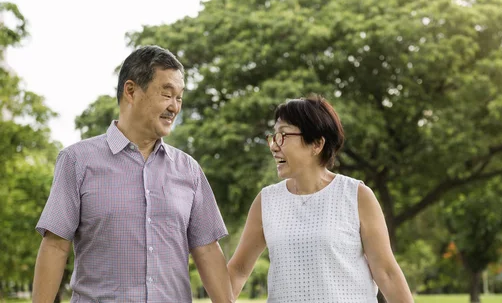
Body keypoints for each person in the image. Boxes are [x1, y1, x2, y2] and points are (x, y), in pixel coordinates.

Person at [32, 45, 233, 303]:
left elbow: (207, 249)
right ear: (131, 91)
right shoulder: (77, 161)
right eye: (166, 94)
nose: (174, 107)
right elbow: (55, 246)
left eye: (179, 98)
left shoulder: (189, 170)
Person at [227, 95, 414, 302]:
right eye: (273, 136)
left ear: (316, 144)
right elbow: (238, 270)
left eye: (283, 136)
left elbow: (386, 273)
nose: (273, 146)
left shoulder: (357, 195)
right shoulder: (266, 200)